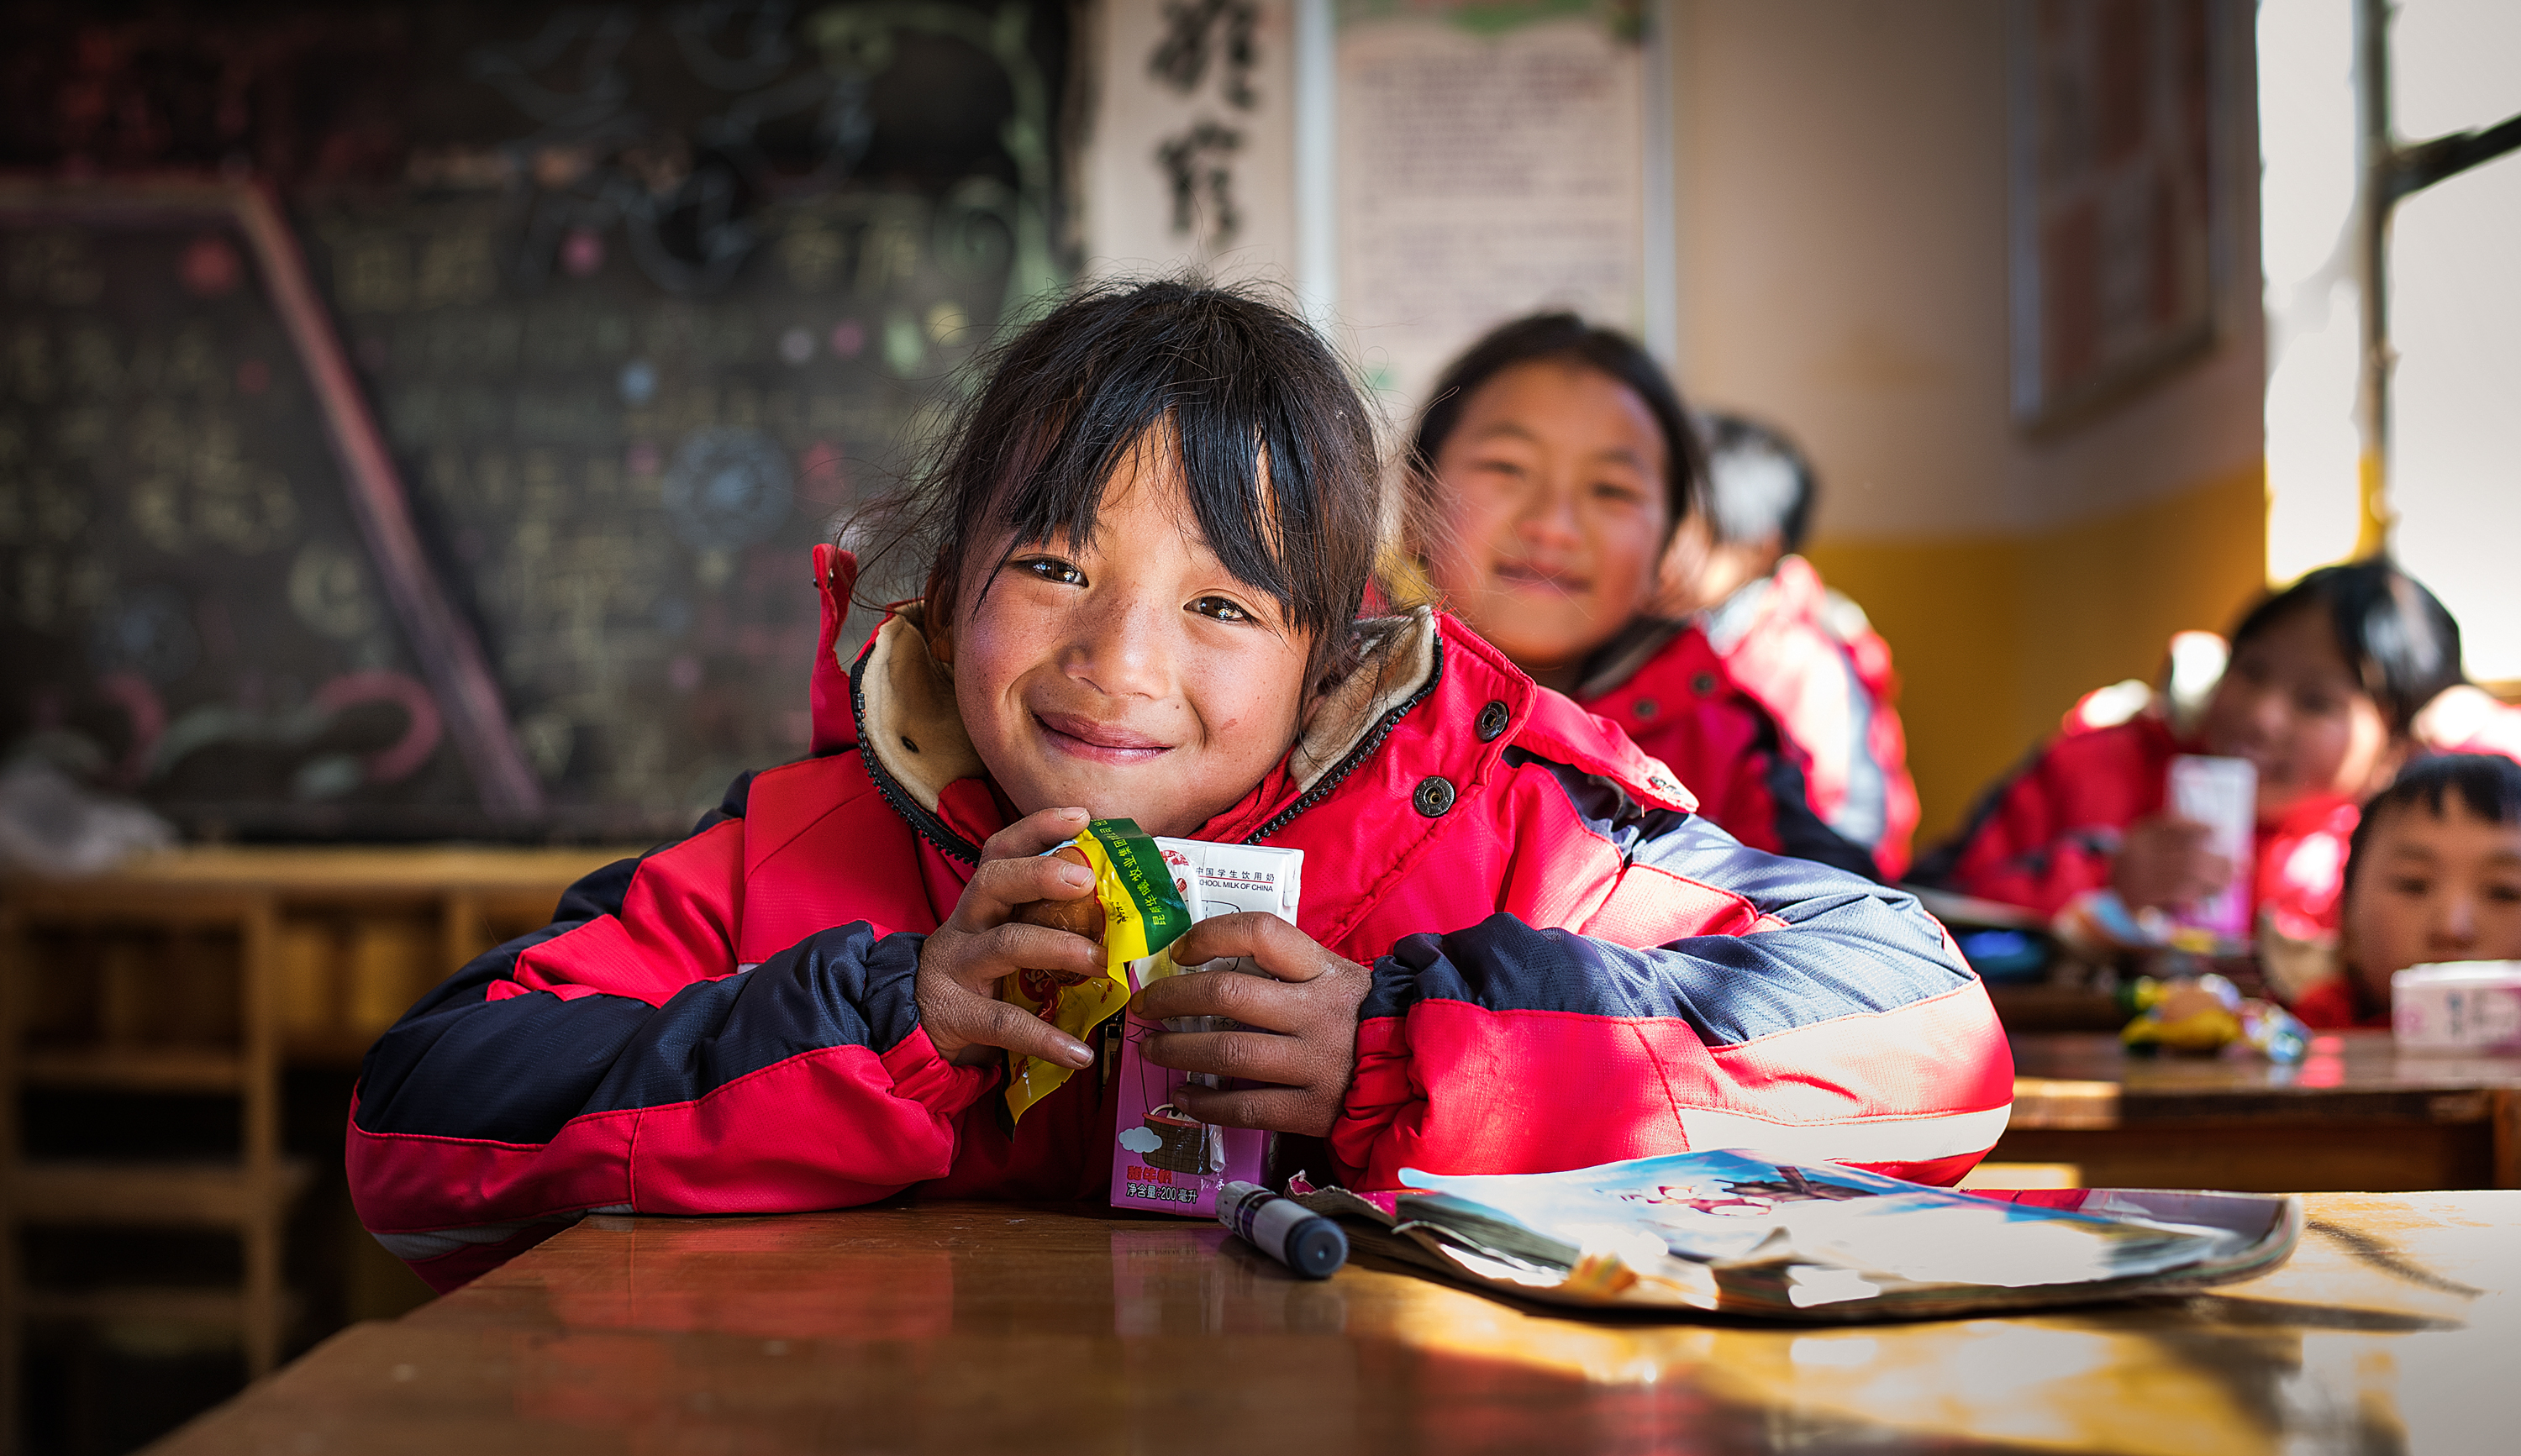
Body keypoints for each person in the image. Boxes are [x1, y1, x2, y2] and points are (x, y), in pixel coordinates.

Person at [347, 282, 2009, 1290]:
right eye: (1054, 564)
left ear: (1328, 648)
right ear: (943, 585)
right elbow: (417, 1124)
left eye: (1223, 604)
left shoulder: (1498, 813)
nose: (1120, 665)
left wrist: (1402, 1050)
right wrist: (882, 1028)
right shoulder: (800, 848)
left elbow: (1925, 1039)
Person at [1408, 313, 1878, 878]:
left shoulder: (1726, 747)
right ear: (1416, 499)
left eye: (1612, 489)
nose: (1553, 525)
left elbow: (1869, 935)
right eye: (1507, 467)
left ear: (1669, 547)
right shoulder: (1316, 699)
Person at [1934, 558, 2469, 965]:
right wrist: (2106, 884)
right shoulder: (2096, 768)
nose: (2261, 716)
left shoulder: (2401, 856)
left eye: (2315, 702)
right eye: (2251, 671)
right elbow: (1940, 922)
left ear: (2397, 747)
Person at [1659, 412, 1921, 878]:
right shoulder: (1670, 628)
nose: (1659, 549)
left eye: (1686, 529)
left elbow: (1848, 832)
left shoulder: (1808, 661)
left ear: (1759, 549)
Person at [2291, 754, 2521, 1029]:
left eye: (2505, 891)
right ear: (2347, 922)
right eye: (2413, 884)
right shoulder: (2298, 1041)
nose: (2452, 929)